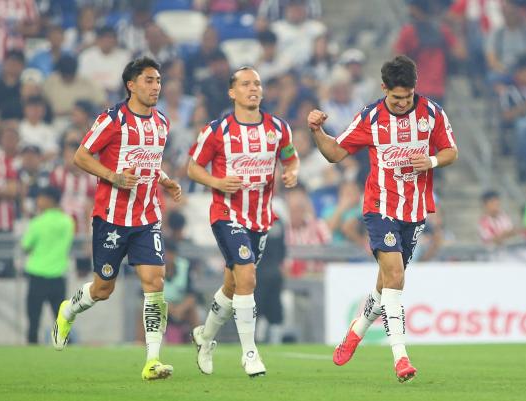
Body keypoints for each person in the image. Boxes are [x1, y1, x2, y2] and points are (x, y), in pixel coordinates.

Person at [307, 55, 458, 382]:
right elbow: (334, 153)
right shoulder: (371, 118)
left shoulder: (431, 113)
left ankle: (357, 329)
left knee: (389, 281)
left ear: (414, 89)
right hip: (380, 207)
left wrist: (430, 161)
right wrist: (317, 130)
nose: (402, 104)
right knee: (394, 275)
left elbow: (451, 152)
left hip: (415, 211)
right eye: (395, 98)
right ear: (383, 89)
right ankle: (401, 358)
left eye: (407, 97)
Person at [52, 57, 183, 381]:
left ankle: (152, 360)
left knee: (155, 283)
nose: (156, 87)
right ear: (131, 84)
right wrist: (112, 176)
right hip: (111, 217)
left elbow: (149, 161)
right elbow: (81, 155)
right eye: (149, 80)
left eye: (158, 81)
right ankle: (68, 310)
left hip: (147, 217)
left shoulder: (162, 122)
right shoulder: (112, 120)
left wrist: (164, 179)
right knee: (103, 288)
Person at [187, 66, 300, 377]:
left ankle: (205, 337)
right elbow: (193, 167)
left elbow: (291, 156)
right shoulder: (217, 130)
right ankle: (250, 353)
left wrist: (292, 171)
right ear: (232, 92)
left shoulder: (278, 128)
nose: (254, 88)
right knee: (248, 277)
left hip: (260, 219)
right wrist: (216, 182)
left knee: (233, 284)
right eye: (246, 84)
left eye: (258, 84)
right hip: (227, 214)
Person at [22, 186, 74, 344]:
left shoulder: (37, 222)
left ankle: (32, 349)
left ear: (49, 200)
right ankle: (68, 352)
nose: (38, 201)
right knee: (61, 319)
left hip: (37, 274)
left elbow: (26, 245)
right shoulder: (68, 221)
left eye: (40, 198)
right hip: (58, 274)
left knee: (34, 319)